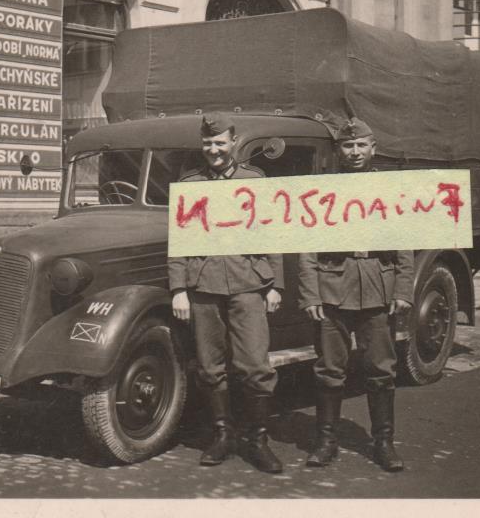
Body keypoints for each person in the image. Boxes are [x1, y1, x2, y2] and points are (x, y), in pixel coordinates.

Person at [168, 113, 285, 473]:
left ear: (233, 142)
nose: (214, 150)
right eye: (208, 143)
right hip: (204, 284)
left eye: (220, 143)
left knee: (254, 366)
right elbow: (180, 241)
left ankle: (258, 439)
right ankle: (222, 435)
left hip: (249, 283)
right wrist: (179, 289)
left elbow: (270, 235)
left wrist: (275, 284)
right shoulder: (190, 184)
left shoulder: (255, 181)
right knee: (209, 367)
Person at [297, 117, 414, 472]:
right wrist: (311, 295)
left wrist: (403, 288)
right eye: (348, 146)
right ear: (338, 150)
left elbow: (405, 243)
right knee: (329, 369)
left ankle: (383, 443)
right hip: (333, 287)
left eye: (361, 145)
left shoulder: (390, 189)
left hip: (377, 287)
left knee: (381, 369)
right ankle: (326, 441)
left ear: (373, 148)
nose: (354, 151)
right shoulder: (320, 190)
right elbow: (306, 248)